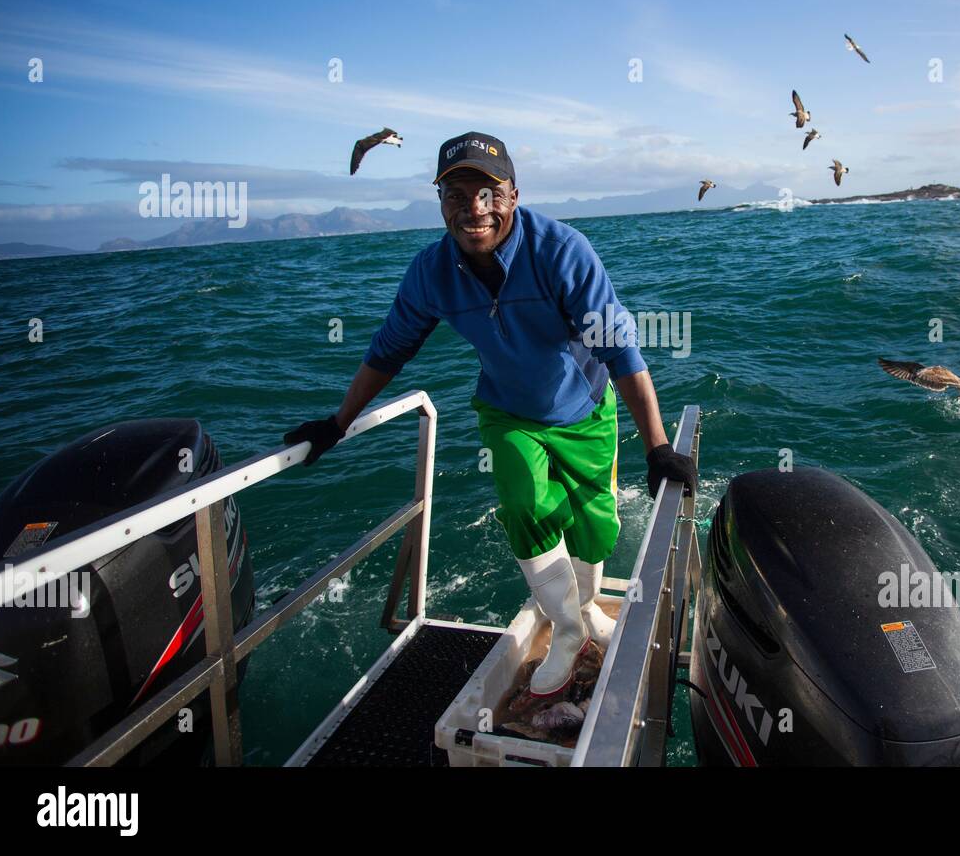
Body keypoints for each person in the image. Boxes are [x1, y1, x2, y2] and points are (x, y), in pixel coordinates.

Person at [284, 131, 696, 702]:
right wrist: (337, 422)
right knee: (527, 505)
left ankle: (586, 609)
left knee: (596, 527)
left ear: (514, 194)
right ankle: (570, 630)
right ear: (441, 203)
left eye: (488, 192)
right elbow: (389, 350)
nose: (474, 208)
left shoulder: (561, 251)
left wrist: (656, 447)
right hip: (508, 412)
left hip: (585, 407)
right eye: (456, 194)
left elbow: (621, 350)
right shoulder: (431, 272)